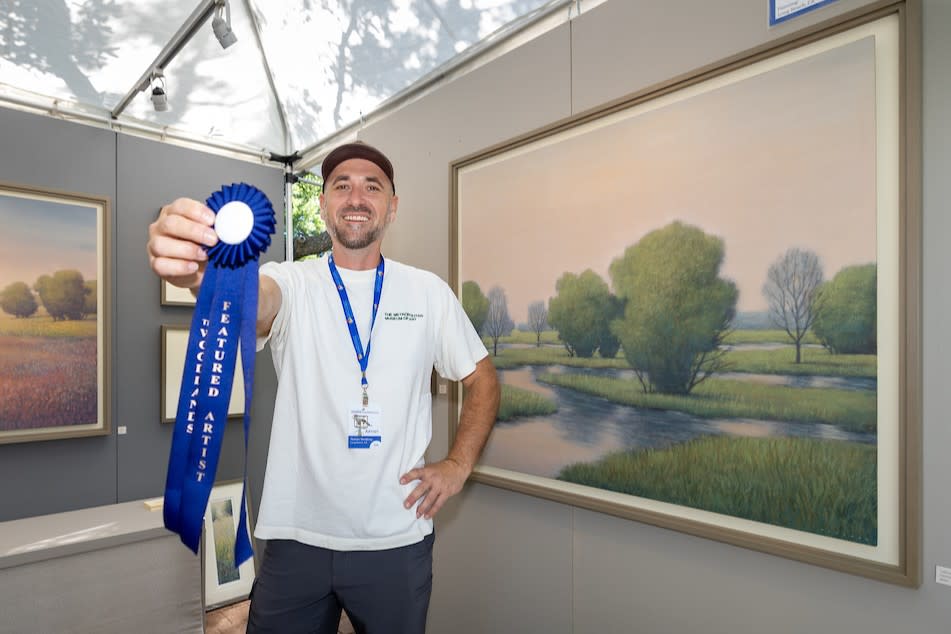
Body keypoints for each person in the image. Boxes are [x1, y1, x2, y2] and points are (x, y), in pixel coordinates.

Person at [147, 141, 500, 634]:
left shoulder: (427, 293)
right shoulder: (292, 281)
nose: (357, 197)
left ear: (392, 207)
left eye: (372, 186)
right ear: (322, 205)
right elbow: (257, 299)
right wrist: (202, 273)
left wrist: (459, 465)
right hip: (295, 540)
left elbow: (482, 378)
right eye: (341, 186)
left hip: (395, 541)